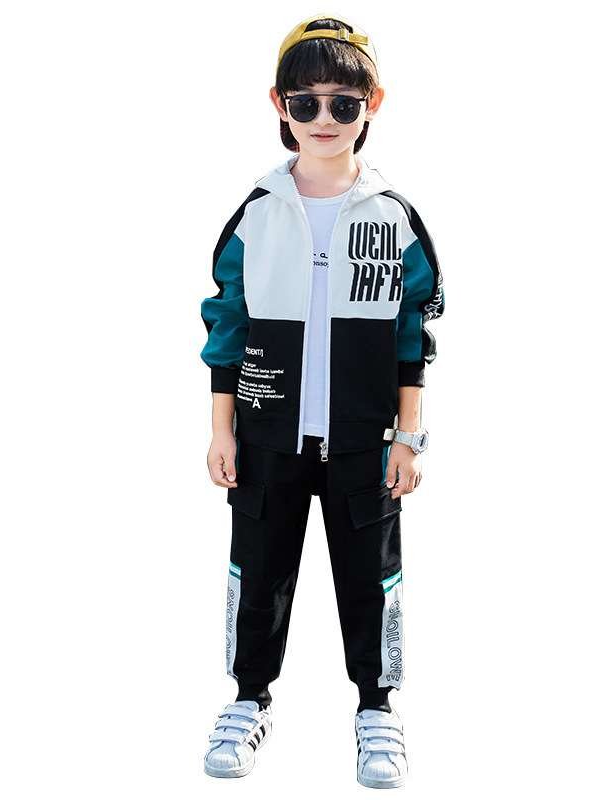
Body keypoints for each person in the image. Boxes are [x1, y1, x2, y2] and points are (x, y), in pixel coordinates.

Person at [199, 14, 444, 789]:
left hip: (364, 440)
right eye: (306, 103)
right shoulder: (257, 212)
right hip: (267, 434)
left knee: (371, 576)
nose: (325, 118)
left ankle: (377, 707)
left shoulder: (392, 217)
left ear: (374, 103)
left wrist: (409, 437)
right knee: (258, 571)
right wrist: (222, 431)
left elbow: (412, 335)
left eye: (344, 102)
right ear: (280, 105)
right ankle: (249, 698)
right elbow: (227, 326)